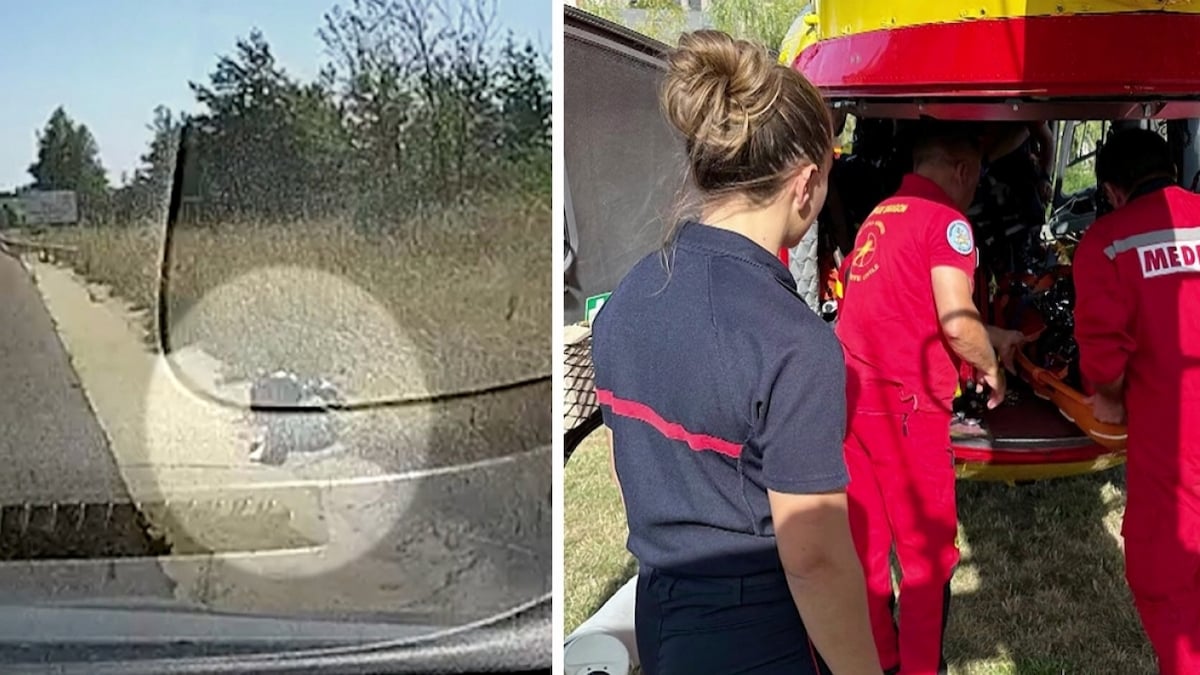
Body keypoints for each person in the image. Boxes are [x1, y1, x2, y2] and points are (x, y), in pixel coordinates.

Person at [590, 29, 882, 675]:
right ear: (805, 184)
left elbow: (626, 464)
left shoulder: (624, 301)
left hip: (660, 608)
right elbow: (815, 556)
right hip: (755, 633)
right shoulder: (795, 342)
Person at [834, 120, 1027, 675]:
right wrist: (991, 366)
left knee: (868, 549)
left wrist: (992, 335)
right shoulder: (947, 222)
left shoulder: (880, 217)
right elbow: (953, 319)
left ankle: (879, 661)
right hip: (906, 411)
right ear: (964, 171)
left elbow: (902, 306)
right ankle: (922, 666)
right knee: (925, 557)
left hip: (853, 405)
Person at [1072, 127, 1200, 675]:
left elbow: (1103, 351)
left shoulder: (1107, 241)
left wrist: (1110, 398)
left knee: (1162, 576)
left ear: (1111, 190)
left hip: (1171, 435)